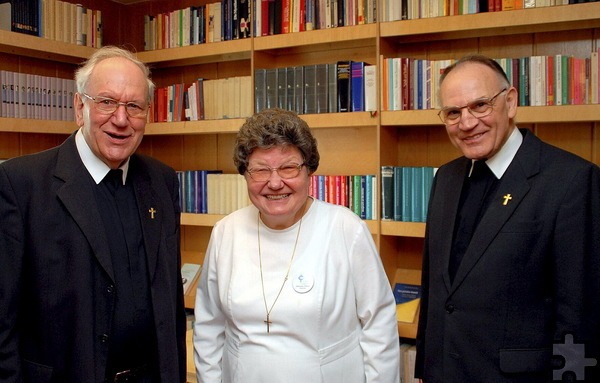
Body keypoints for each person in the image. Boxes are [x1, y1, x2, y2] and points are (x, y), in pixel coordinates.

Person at [0, 46, 186, 382]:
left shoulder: (163, 181)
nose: (120, 119)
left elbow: (170, 300)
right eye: (106, 102)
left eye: (134, 106)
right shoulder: (19, 184)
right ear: (79, 107)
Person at [415, 54, 600, 382]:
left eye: (480, 105)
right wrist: (424, 369)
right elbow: (437, 294)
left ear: (511, 101)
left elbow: (580, 315)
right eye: (453, 113)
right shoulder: (445, 178)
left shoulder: (572, 181)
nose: (467, 123)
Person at [193, 108, 400, 382]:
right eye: (260, 170)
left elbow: (379, 325)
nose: (275, 182)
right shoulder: (226, 232)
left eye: (289, 167)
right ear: (244, 174)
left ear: (309, 170)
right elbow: (208, 326)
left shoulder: (346, 229)